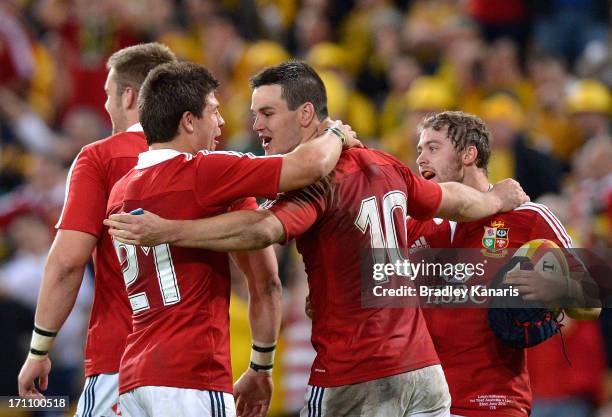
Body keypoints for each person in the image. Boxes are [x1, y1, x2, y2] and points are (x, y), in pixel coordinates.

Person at [105, 61, 529, 417]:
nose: (255, 126)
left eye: (267, 114)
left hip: (352, 374)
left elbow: (263, 230)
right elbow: (449, 199)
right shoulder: (388, 165)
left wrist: (170, 231)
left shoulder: (315, 181)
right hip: (423, 372)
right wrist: (494, 199)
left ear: (305, 114)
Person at [106, 60, 360, 417]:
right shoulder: (205, 170)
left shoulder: (120, 188)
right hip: (191, 376)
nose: (222, 122)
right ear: (189, 121)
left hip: (133, 377)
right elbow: (310, 166)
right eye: (213, 111)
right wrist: (337, 134)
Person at [17, 42, 177, 417]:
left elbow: (68, 263)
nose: (105, 106)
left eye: (108, 95)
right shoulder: (209, 160)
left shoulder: (100, 157)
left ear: (128, 96)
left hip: (120, 359)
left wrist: (39, 349)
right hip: (200, 369)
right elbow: (259, 270)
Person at [407, 110, 599, 417]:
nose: (421, 160)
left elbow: (591, 301)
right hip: (420, 405)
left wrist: (559, 286)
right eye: (419, 150)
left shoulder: (530, 217)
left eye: (433, 148)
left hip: (494, 403)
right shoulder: (411, 226)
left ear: (468, 154)